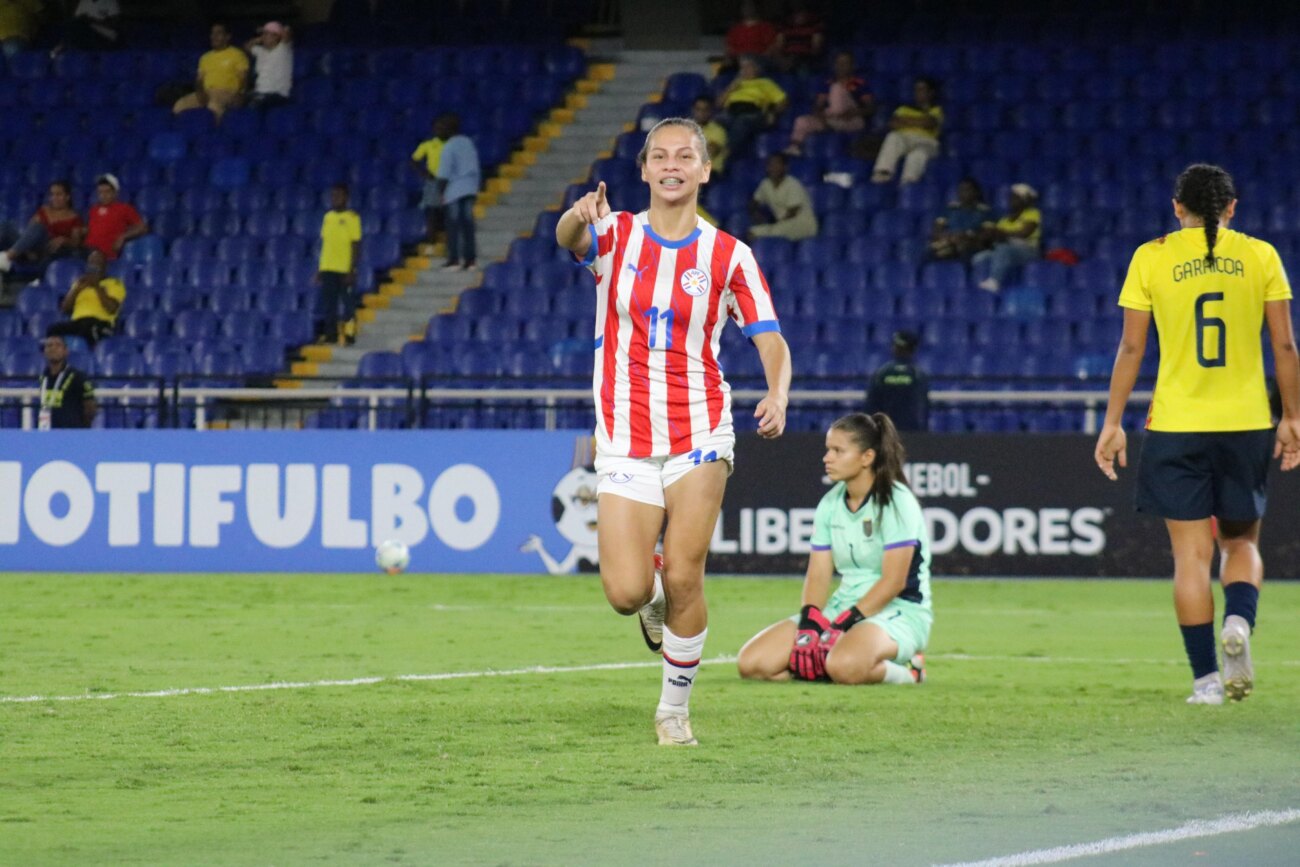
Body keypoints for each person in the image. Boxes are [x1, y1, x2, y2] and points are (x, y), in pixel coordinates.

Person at [555, 117, 792, 746]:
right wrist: (578, 215)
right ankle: (653, 592)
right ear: (643, 170)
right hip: (625, 435)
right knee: (626, 592)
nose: (671, 164)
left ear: (704, 170)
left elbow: (769, 337)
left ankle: (673, 711)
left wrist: (777, 391)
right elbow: (565, 238)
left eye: (685, 156)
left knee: (688, 574)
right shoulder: (615, 233)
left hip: (702, 430)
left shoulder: (730, 254)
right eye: (659, 156)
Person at [1094, 163, 1300, 706]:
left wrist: (1112, 422)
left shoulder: (1151, 256)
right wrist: (1293, 418)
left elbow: (1132, 349)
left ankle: (1206, 682)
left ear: (1175, 206)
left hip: (1177, 425)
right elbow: (1284, 348)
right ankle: (1238, 620)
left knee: (1191, 558)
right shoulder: (1261, 256)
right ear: (1232, 208)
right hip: (1247, 423)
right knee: (1242, 542)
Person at [737, 413, 930, 686]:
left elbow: (894, 582)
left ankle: (910, 670)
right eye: (828, 449)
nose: (827, 458)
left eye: (838, 451)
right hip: (842, 608)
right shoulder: (829, 503)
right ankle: (831, 662)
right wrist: (810, 624)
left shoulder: (897, 501)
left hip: (898, 611)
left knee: (844, 667)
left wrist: (843, 624)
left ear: (867, 457)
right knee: (754, 663)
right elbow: (818, 574)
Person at [786, 51, 873, 156]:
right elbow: (818, 106)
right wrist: (821, 118)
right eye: (838, 63)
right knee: (801, 121)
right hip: (830, 120)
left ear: (852, 66)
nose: (841, 66)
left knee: (836, 88)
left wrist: (854, 112)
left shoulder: (859, 83)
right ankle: (795, 147)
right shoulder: (828, 83)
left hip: (852, 119)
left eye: (845, 63)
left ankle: (832, 119)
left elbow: (871, 108)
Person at [872, 77, 943, 186]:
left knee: (916, 156)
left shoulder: (936, 109)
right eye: (916, 90)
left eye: (922, 89)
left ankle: (907, 186)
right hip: (904, 138)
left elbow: (929, 123)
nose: (918, 93)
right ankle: (883, 173)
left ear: (931, 93)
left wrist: (905, 120)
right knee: (893, 136)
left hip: (926, 142)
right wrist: (919, 121)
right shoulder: (904, 108)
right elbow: (893, 123)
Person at [172, 22, 249, 122]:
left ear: (227, 37)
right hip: (206, 92)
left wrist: (240, 95)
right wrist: (200, 93)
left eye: (218, 33)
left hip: (227, 92)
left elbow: (243, 78)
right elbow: (199, 80)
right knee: (179, 106)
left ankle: (213, 134)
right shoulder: (205, 57)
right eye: (212, 33)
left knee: (213, 106)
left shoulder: (237, 54)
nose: (214, 36)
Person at [0, 180, 83, 272]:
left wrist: (64, 240)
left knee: (39, 227)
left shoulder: (74, 217)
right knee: (6, 226)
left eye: (59, 194)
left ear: (67, 197)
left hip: (47, 251)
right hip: (28, 250)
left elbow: (76, 243)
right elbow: (29, 232)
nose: (54, 198)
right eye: (52, 194)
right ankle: (8, 257)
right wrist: (27, 250)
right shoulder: (44, 210)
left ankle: (6, 257)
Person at [315, 184, 362, 346]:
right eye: (333, 195)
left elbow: (356, 245)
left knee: (348, 304)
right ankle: (331, 335)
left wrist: (352, 269)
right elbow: (325, 245)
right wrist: (320, 269)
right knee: (330, 305)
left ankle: (349, 334)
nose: (335, 198)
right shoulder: (327, 217)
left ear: (346, 198)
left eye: (339, 195)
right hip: (328, 268)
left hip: (344, 270)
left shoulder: (353, 217)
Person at [47, 249, 124, 347]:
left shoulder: (114, 284)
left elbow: (111, 309)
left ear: (104, 266)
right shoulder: (80, 283)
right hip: (77, 323)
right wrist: (76, 290)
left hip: (100, 323)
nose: (94, 266)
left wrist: (97, 286)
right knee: (53, 330)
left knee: (91, 329)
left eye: (97, 263)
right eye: (91, 263)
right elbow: (65, 309)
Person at [974, 183, 1041, 292]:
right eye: (1011, 197)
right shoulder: (1004, 220)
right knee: (979, 258)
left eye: (1016, 198)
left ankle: (994, 282)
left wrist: (1002, 233)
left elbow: (1025, 233)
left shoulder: (1032, 213)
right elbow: (997, 236)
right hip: (1007, 249)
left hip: (1028, 250)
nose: (1011, 200)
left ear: (1024, 200)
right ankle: (979, 285)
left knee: (1003, 249)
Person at [435, 113, 480, 271]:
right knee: (468, 225)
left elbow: (443, 175)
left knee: (453, 226)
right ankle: (471, 261)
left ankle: (454, 260)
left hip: (454, 191)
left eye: (440, 129)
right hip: (469, 188)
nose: (437, 132)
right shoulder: (468, 142)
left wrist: (441, 194)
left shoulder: (449, 146)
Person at [718, 55, 787, 159]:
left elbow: (783, 101)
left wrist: (773, 113)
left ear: (757, 69)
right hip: (732, 112)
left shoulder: (765, 83)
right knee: (716, 121)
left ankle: (725, 154)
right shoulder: (736, 84)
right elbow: (718, 104)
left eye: (748, 67)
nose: (744, 70)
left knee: (742, 121)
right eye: (742, 68)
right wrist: (731, 88)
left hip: (753, 113)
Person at [866, 330, 930, 431]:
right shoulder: (918, 375)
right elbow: (923, 408)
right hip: (911, 432)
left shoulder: (882, 373)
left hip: (885, 432)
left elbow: (871, 404)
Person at [749, 153, 817, 241]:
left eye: (777, 164)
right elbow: (754, 202)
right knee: (752, 232)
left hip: (802, 224)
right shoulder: (765, 184)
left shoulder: (793, 184)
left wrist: (773, 225)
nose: (774, 167)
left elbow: (792, 212)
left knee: (775, 232)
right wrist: (755, 214)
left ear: (785, 167)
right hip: (782, 225)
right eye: (770, 164)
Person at [37, 334, 95, 429]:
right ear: (44, 352)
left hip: (71, 433)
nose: (53, 348)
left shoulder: (78, 377)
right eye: (49, 346)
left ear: (66, 351)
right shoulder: (43, 377)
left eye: (58, 345)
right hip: (47, 432)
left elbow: (90, 409)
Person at [83, 174, 147, 262]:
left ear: (115, 193)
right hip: (87, 250)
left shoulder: (124, 208)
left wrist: (123, 237)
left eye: (107, 192)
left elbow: (143, 228)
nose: (103, 195)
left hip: (104, 254)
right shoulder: (93, 210)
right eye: (100, 192)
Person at [928, 178, 992, 261]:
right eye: (961, 190)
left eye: (967, 190)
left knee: (964, 251)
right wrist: (949, 237)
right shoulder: (950, 209)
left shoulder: (985, 212)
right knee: (929, 251)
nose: (963, 193)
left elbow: (987, 234)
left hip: (970, 245)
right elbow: (937, 230)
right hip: (948, 243)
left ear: (976, 192)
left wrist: (967, 236)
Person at [410, 118, 446, 249]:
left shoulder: (452, 145)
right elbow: (413, 160)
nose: (440, 130)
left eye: (442, 127)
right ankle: (431, 244)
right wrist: (423, 173)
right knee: (431, 212)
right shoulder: (427, 145)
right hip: (433, 182)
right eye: (437, 127)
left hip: (449, 182)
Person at [244, 20, 292, 110]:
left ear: (276, 36)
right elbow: (247, 47)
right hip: (259, 92)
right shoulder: (260, 51)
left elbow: (287, 31)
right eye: (263, 34)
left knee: (255, 104)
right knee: (239, 100)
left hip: (277, 94)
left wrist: (270, 29)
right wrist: (258, 39)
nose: (264, 37)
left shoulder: (283, 49)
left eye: (267, 34)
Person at [723, 0, 777, 71]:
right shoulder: (735, 29)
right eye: (745, 7)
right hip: (739, 62)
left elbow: (771, 47)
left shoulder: (766, 27)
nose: (747, 9)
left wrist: (761, 58)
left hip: (759, 61)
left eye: (750, 6)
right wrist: (729, 58)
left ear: (756, 8)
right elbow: (729, 47)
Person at [772, 1, 823, 74]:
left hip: (806, 58)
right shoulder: (786, 25)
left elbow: (816, 48)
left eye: (801, 12)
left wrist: (809, 54)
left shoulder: (814, 24)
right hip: (788, 56)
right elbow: (779, 44)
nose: (799, 16)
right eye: (796, 13)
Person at [54, 0, 119, 53]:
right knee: (71, 25)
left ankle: (61, 47)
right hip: (87, 33)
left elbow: (114, 23)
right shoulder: (84, 1)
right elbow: (77, 19)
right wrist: (85, 20)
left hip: (105, 34)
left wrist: (92, 20)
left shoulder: (110, 2)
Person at [692, 96, 728, 177]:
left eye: (705, 110)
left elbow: (709, 152)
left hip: (710, 173)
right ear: (693, 111)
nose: (701, 113)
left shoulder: (718, 130)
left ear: (710, 112)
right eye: (698, 109)